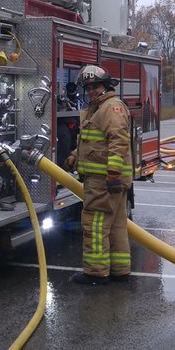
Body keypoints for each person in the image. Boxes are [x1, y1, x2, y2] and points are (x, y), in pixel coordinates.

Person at [64, 65, 133, 286]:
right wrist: (76, 155)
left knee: (94, 225)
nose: (91, 90)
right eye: (88, 87)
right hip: (107, 179)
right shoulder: (99, 108)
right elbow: (95, 141)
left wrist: (112, 172)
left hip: (103, 181)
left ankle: (95, 272)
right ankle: (119, 269)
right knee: (116, 227)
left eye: (96, 86)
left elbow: (118, 141)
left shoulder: (110, 108)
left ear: (106, 86)